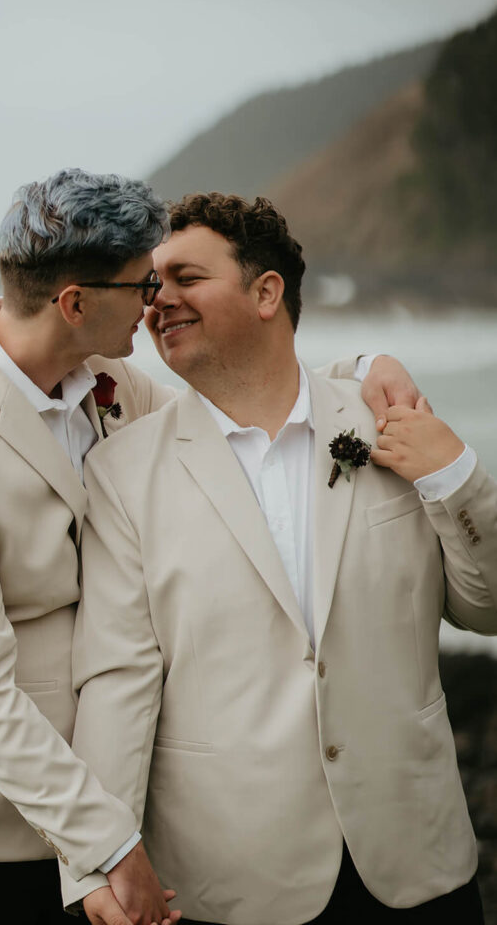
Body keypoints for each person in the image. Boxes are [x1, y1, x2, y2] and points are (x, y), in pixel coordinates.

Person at [0, 169, 418, 925]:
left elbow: (247, 397)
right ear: (75, 303)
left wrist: (362, 372)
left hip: (111, 818)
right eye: (140, 285)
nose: (156, 302)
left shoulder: (111, 382)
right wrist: (105, 842)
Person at [65, 192, 497, 923]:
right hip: (230, 885)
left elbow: (484, 609)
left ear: (266, 292)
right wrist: (98, 860)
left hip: (415, 862)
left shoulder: (388, 422)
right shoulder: (121, 472)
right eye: (150, 285)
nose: (157, 300)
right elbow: (117, 681)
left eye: (185, 278)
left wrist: (455, 475)